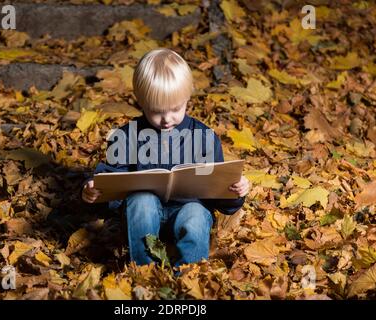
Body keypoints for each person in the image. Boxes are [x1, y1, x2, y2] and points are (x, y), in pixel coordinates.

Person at [82, 48, 250, 268]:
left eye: (175, 109)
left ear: (187, 97)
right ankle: (144, 270)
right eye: (156, 111)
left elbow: (221, 200)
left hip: (189, 209)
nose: (166, 119)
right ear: (140, 102)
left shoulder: (205, 138)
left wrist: (234, 192)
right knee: (141, 201)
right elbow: (111, 181)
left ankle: (190, 276)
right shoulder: (126, 136)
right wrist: (94, 189)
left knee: (196, 216)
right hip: (142, 218)